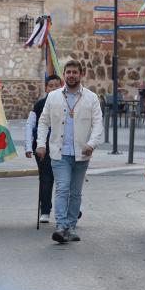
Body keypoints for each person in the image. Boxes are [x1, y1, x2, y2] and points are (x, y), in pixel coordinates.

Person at [36, 60, 103, 243]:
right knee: (62, 188)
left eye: (75, 72)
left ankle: (71, 225)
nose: (71, 75)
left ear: (81, 74)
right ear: (64, 74)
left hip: (82, 152)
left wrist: (92, 144)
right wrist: (41, 144)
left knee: (75, 192)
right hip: (59, 152)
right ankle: (61, 226)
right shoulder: (53, 97)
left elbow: (98, 124)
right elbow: (43, 122)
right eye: (68, 72)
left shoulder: (91, 98)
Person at [25, 74, 62, 223]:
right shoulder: (39, 105)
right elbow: (30, 125)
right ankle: (45, 210)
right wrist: (28, 146)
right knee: (46, 178)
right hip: (43, 146)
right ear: (46, 88)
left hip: (61, 145)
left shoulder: (68, 103)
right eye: (50, 85)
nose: (53, 88)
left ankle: (70, 208)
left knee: (63, 179)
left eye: (56, 85)